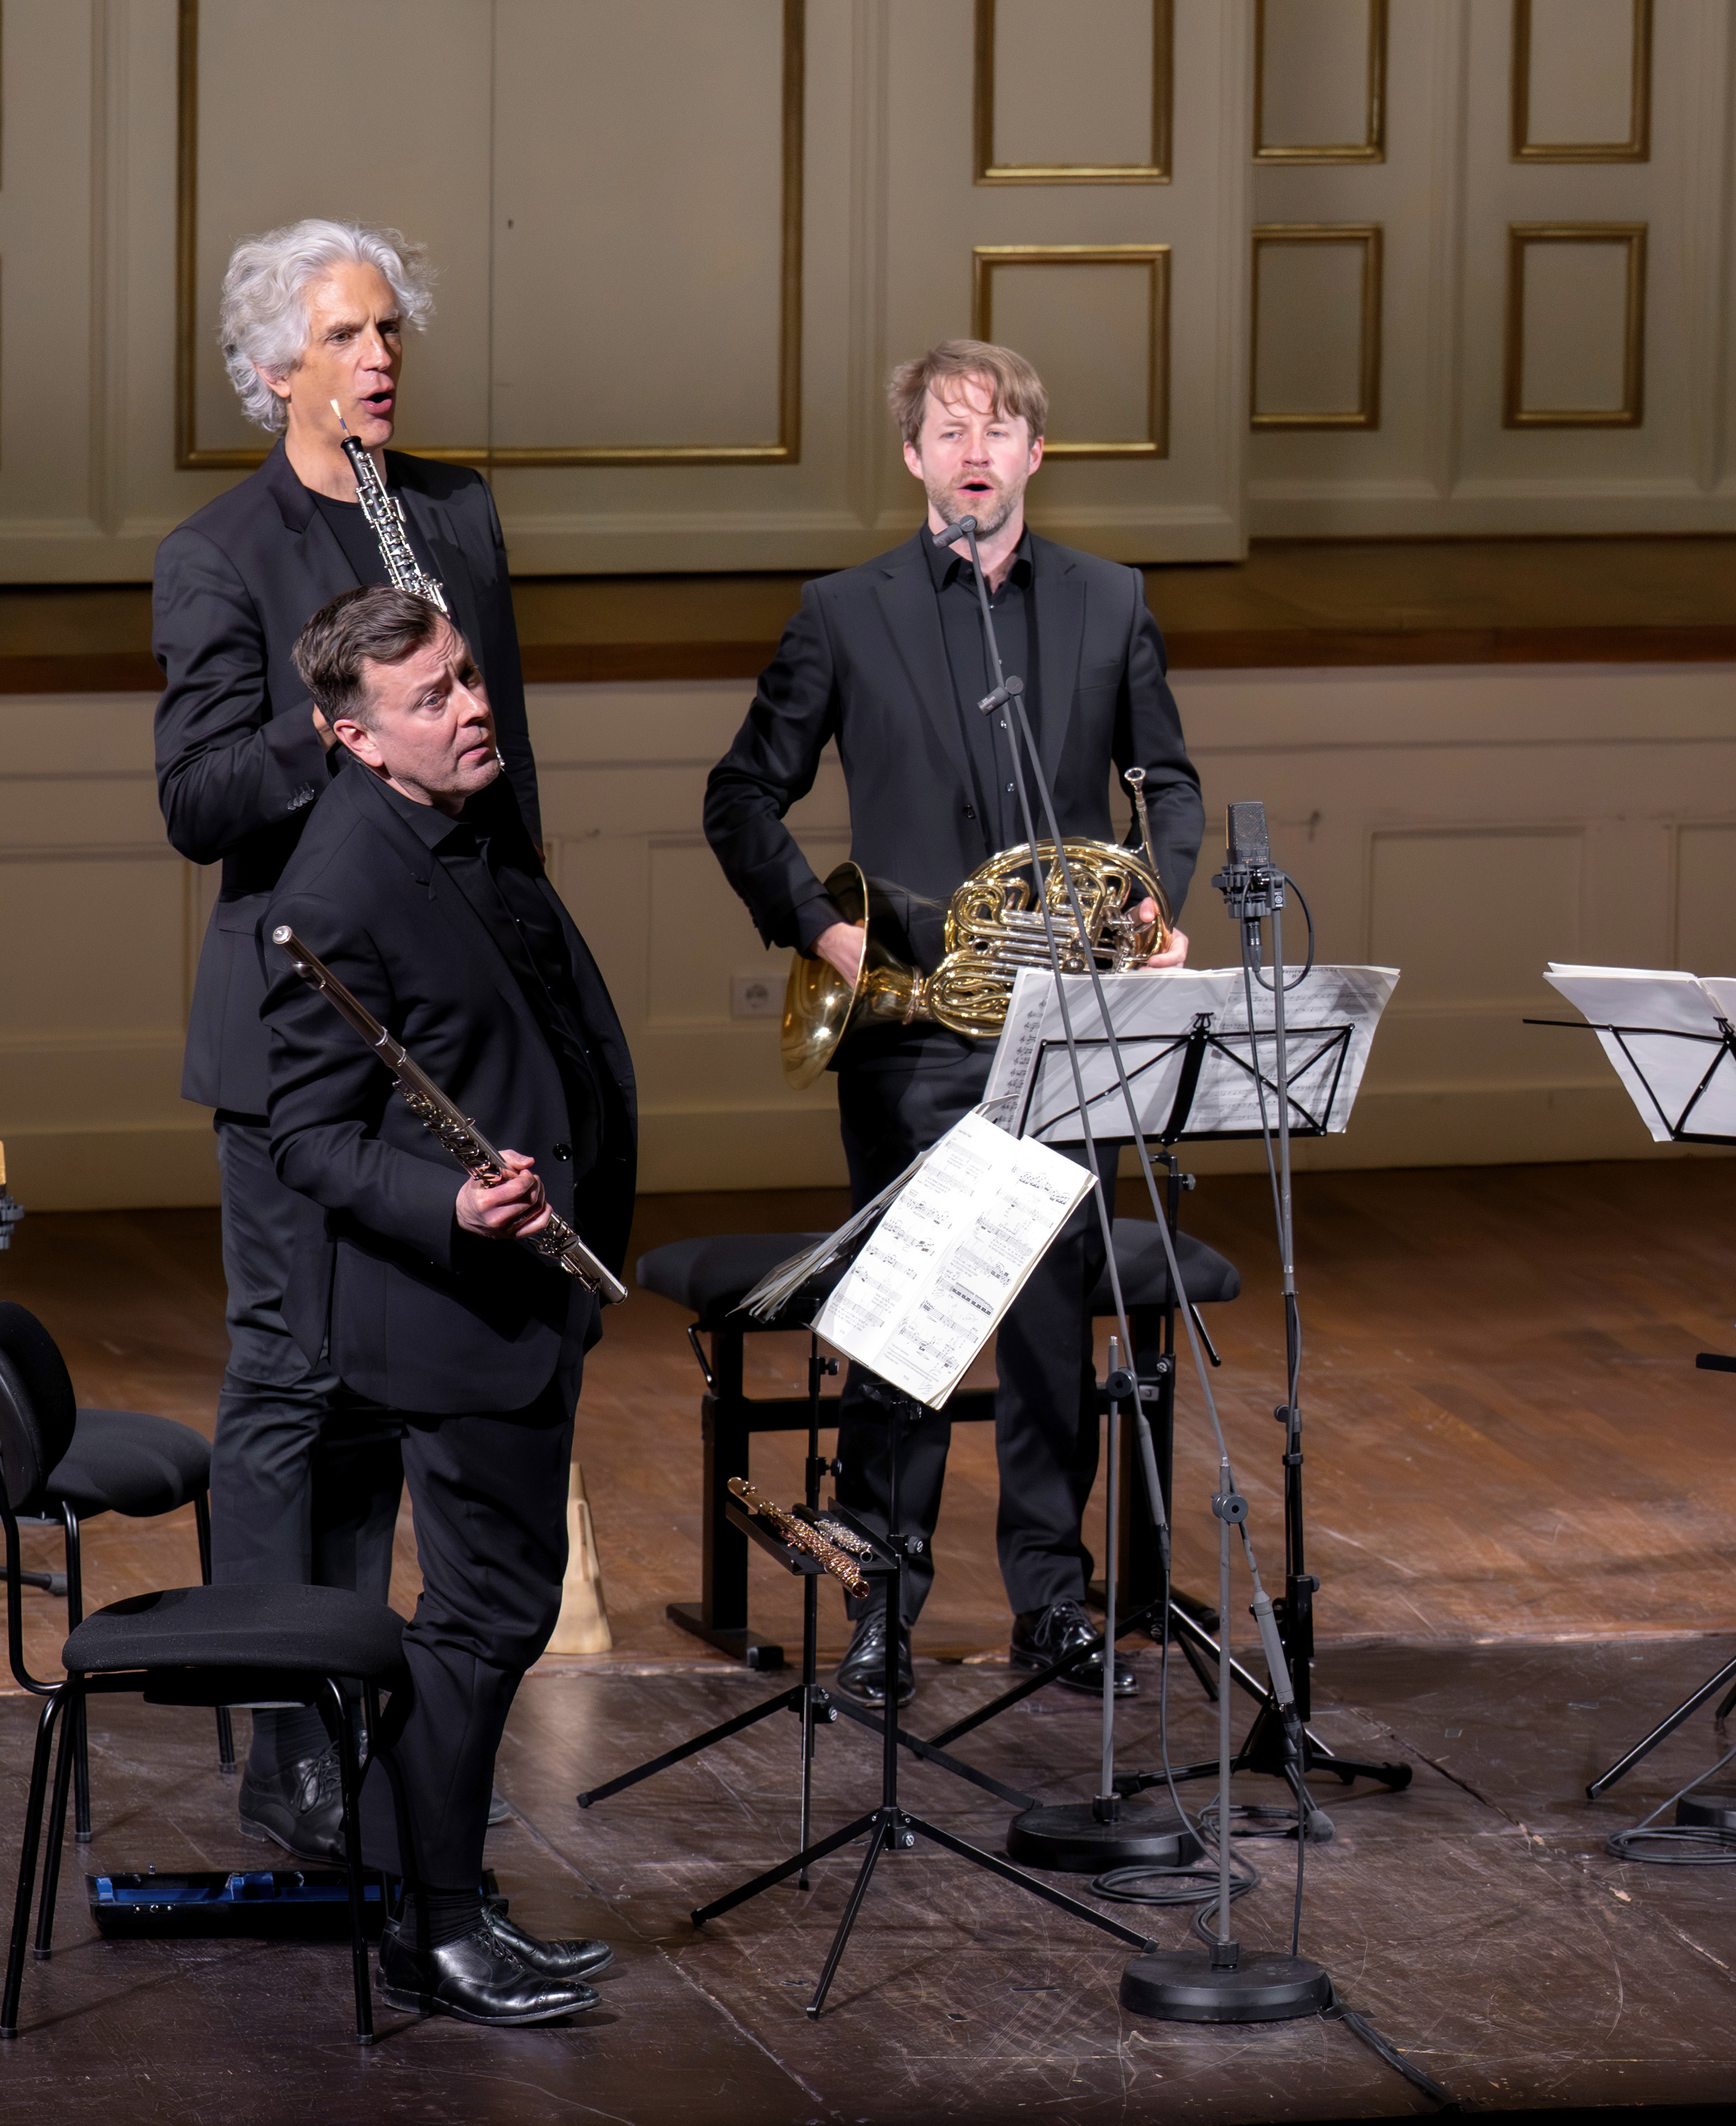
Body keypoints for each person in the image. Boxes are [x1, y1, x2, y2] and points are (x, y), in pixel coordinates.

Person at [704, 340, 1203, 1707]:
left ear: (1036, 453)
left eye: (997, 428)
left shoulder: (1111, 602)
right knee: (909, 1317)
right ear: (915, 458)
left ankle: (1051, 1598)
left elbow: (1166, 784)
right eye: (945, 428)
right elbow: (740, 792)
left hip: (1068, 1021)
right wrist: (820, 926)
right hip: (914, 1023)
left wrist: (1158, 907)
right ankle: (881, 1599)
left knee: (1051, 1318)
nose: (972, 449)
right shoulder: (843, 612)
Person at [152, 219, 538, 1861]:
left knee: (381, 1382)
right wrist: (336, 730)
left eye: (390, 331)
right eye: (345, 336)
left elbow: (502, 749)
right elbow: (194, 799)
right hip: (299, 1026)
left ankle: (353, 1692)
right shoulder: (221, 548)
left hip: (442, 1019)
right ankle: (280, 1738)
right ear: (272, 369)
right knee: (292, 1378)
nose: (379, 358)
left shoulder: (451, 511)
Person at [264, 586, 632, 2021]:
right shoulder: (338, 882)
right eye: (435, 698)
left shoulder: (467, 818)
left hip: (534, 1296)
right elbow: (306, 1135)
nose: (475, 706)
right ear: (355, 736)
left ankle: (446, 1899)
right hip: (456, 1310)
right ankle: (431, 1920)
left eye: (469, 677)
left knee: (498, 1609)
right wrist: (456, 1201)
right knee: (483, 1616)